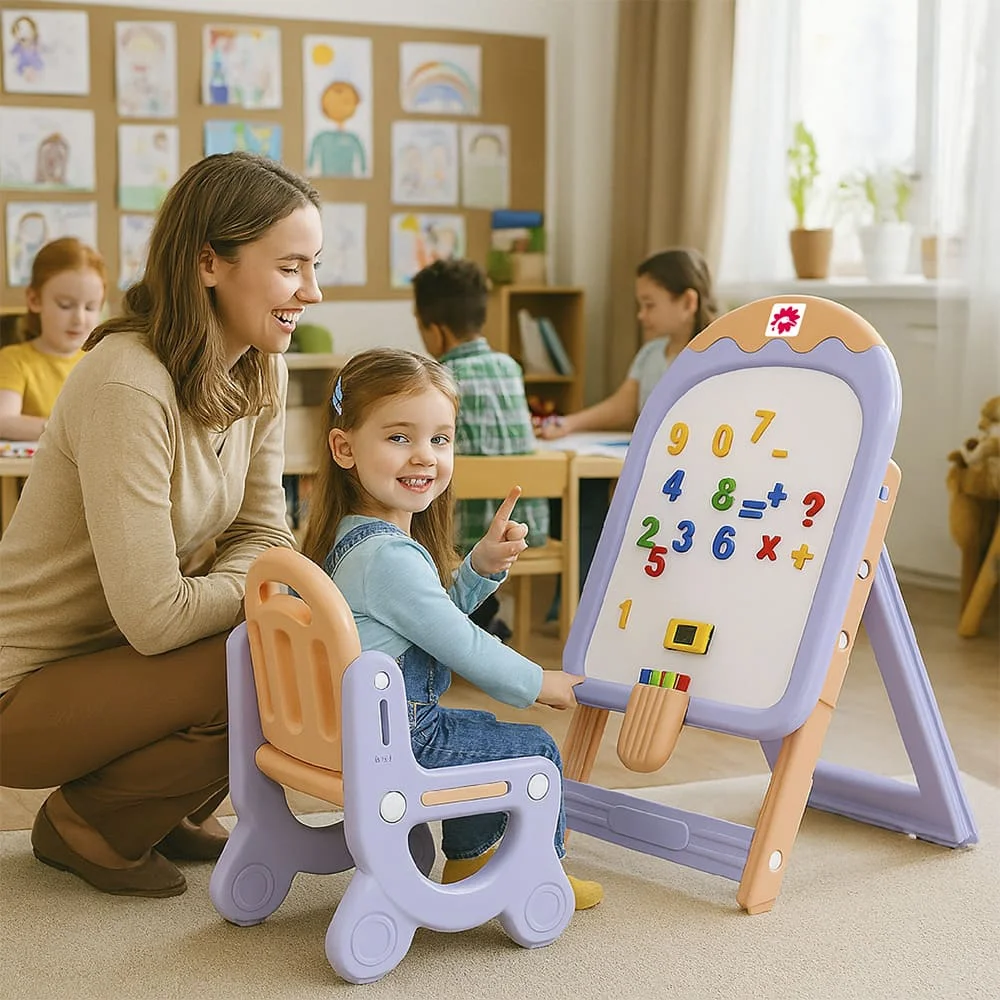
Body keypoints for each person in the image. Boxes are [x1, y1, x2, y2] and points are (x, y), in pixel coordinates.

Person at [0, 152, 323, 898]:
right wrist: (273, 586)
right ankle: (85, 824)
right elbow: (154, 616)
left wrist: (268, 581)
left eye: (313, 266)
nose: (311, 290)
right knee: (254, 653)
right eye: (291, 267)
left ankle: (155, 810)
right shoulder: (126, 382)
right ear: (209, 261)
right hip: (23, 686)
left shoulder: (258, 368)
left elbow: (265, 530)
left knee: (274, 638)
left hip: (116, 667)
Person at [302, 348, 603, 910]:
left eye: (440, 439)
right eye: (399, 438)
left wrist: (479, 569)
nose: (424, 456)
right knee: (533, 749)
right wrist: (539, 682)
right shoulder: (388, 558)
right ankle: (541, 877)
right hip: (402, 741)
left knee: (484, 733)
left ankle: (474, 857)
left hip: (370, 731)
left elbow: (426, 622)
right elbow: (459, 643)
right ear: (344, 447)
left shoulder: (353, 539)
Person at [537, 248, 718, 594]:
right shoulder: (651, 353)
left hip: (692, 468)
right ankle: (579, 595)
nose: (641, 315)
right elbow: (623, 406)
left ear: (687, 302)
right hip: (645, 460)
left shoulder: (713, 355)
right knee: (581, 489)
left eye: (650, 304)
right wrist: (569, 424)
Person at [412, 258, 549, 637]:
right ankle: (482, 618)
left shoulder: (439, 379)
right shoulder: (510, 367)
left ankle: (468, 619)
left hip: (467, 534)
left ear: (436, 331)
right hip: (525, 525)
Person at [0, 237, 107, 441]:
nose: (79, 319)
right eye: (65, 305)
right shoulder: (13, 360)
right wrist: (66, 429)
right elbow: (3, 420)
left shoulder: (101, 364)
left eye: (91, 307)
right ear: (34, 300)